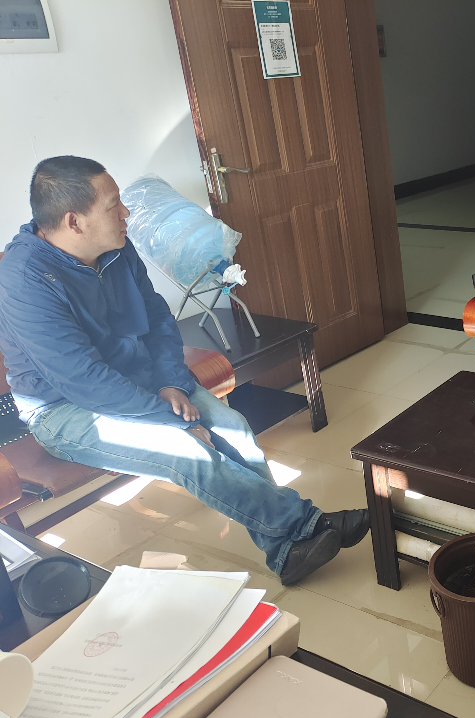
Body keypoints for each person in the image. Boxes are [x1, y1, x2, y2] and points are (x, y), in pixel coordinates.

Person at [0, 156, 369, 585]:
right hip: (64, 409)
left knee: (233, 428)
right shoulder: (24, 279)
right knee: (189, 451)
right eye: (114, 206)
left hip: (141, 382)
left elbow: (158, 319)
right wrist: (171, 419)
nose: (127, 213)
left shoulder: (116, 247)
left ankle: (286, 551)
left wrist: (171, 382)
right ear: (74, 221)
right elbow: (81, 379)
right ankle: (306, 525)